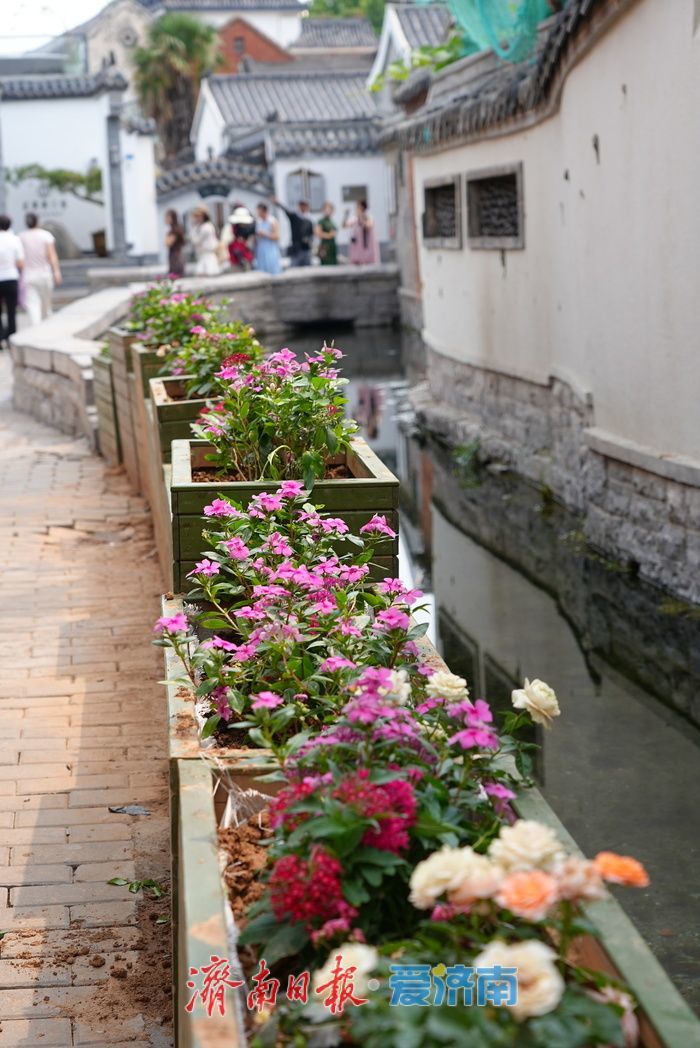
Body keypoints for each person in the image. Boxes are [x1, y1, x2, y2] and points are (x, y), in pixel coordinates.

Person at [18, 212, 62, 327]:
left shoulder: (21, 237)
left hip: (29, 275)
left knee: (33, 306)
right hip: (45, 274)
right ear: (38, 221)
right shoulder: (46, 235)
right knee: (46, 307)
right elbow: (52, 255)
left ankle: (35, 330)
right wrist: (56, 271)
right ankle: (46, 330)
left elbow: (20, 259)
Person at [0, 215, 24, 347]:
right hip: (11, 278)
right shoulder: (15, 239)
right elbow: (20, 262)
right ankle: (11, 338)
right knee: (11, 311)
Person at [273, 197, 313, 267]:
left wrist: (309, 240)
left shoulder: (309, 220)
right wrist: (278, 203)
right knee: (295, 268)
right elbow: (286, 210)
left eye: (305, 205)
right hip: (296, 248)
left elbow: (311, 233)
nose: (303, 207)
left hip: (306, 249)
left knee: (307, 268)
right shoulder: (294, 217)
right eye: (302, 205)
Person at [344, 199, 380, 265]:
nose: (356, 209)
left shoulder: (369, 217)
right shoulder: (354, 218)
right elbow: (345, 225)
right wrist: (346, 215)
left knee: (368, 263)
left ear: (362, 207)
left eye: (358, 207)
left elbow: (369, 226)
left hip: (366, 245)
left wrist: (361, 219)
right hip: (356, 245)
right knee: (356, 262)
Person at [221, 205, 255, 271]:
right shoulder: (229, 228)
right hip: (233, 257)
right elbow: (225, 242)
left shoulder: (246, 228)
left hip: (245, 257)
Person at [190, 206, 220, 276]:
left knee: (208, 273)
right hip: (202, 255)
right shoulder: (199, 227)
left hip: (208, 255)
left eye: (198, 216)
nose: (196, 218)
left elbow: (196, 241)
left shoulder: (207, 227)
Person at [254, 203, 282, 275]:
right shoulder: (259, 222)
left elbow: (277, 236)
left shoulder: (272, 221)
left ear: (264, 211)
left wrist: (265, 234)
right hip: (261, 249)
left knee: (272, 271)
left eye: (259, 212)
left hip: (270, 250)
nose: (258, 214)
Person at [315, 202, 338, 266]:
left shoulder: (331, 221)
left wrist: (331, 234)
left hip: (332, 246)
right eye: (326, 209)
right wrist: (329, 235)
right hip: (325, 247)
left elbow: (334, 233)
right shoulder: (321, 221)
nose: (328, 211)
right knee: (325, 265)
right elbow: (317, 233)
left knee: (334, 265)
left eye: (330, 209)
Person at [165, 209, 186, 277]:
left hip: (176, 258)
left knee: (175, 277)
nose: (165, 219)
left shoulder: (175, 230)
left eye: (167, 217)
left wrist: (166, 237)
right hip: (174, 257)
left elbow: (168, 243)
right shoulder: (173, 229)